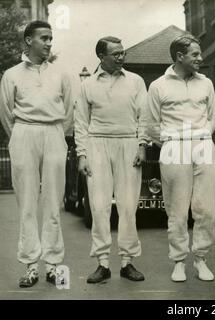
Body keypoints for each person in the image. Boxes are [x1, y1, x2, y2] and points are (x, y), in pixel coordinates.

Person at [137, 35, 215, 282]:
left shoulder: (205, 83)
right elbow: (151, 125)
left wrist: (203, 135)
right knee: (177, 209)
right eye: (195, 54)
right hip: (174, 148)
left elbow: (213, 117)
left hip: (203, 146)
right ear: (179, 57)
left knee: (207, 207)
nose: (200, 58)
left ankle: (201, 259)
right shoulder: (158, 85)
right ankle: (179, 261)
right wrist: (172, 141)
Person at [0, 20, 73, 288]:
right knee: (27, 202)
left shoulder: (61, 74)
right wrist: (20, 135)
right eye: (44, 38)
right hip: (24, 133)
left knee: (53, 201)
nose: (49, 42)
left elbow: (67, 111)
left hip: (53, 132)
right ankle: (31, 266)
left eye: (51, 38)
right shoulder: (11, 74)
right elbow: (7, 113)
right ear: (29, 40)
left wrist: (55, 133)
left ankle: (53, 265)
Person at [75, 36, 146, 283]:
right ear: (101, 56)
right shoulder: (88, 85)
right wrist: (82, 154)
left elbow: (143, 116)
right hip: (97, 145)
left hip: (128, 143)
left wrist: (142, 145)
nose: (120, 57)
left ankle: (127, 262)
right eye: (115, 53)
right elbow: (81, 123)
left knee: (128, 205)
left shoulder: (136, 81)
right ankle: (103, 263)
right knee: (99, 206)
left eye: (122, 52)